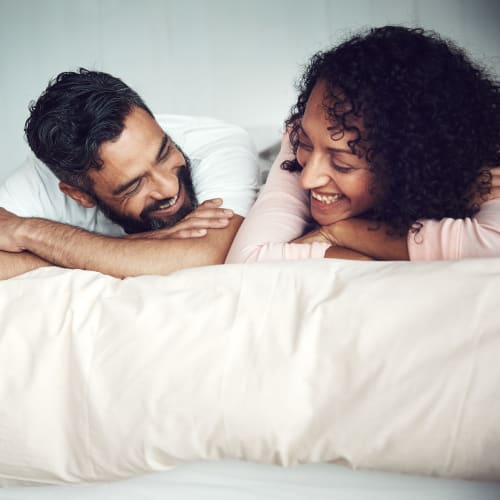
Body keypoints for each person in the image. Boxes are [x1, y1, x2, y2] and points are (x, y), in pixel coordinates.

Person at [226, 26, 500, 264]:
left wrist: (340, 233)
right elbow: (250, 259)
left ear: (411, 166)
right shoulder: (302, 133)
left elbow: (492, 244)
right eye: (307, 143)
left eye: (343, 164)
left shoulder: (481, 170)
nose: (307, 179)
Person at [0, 69, 259, 279]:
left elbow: (204, 256)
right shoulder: (37, 183)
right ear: (79, 195)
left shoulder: (221, 142)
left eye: (165, 153)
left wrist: (30, 232)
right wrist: (147, 244)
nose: (169, 187)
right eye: (134, 186)